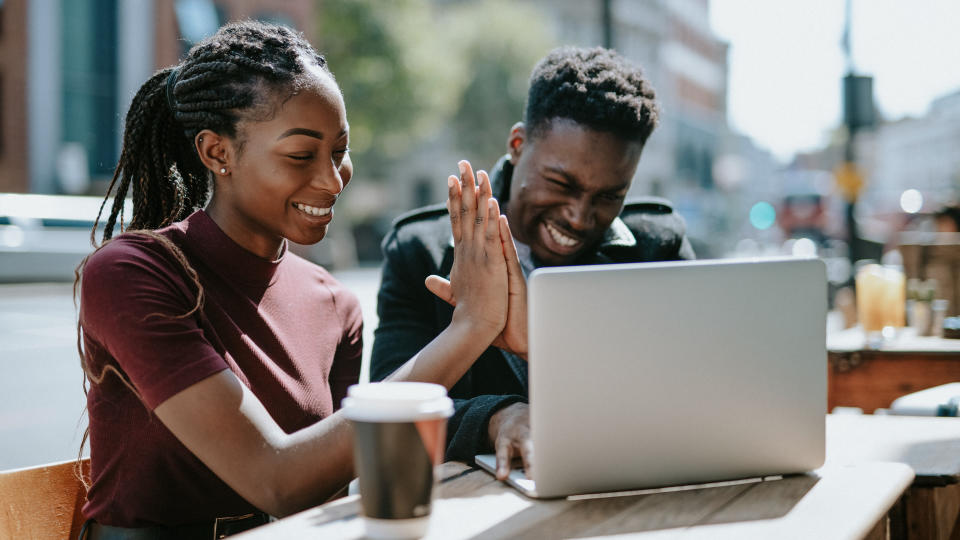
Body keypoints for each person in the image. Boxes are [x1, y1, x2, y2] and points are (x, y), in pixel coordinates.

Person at [76, 21, 517, 539]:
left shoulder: (335, 304)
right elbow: (278, 480)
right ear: (218, 152)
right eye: (301, 155)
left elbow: (325, 493)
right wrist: (471, 327)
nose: (332, 180)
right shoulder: (133, 272)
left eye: (339, 151)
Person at [371, 46, 695, 480]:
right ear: (518, 145)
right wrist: (495, 417)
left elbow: (689, 391)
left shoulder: (658, 247)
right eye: (561, 183)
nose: (580, 217)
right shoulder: (420, 252)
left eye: (608, 197)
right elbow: (387, 406)